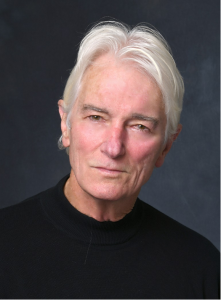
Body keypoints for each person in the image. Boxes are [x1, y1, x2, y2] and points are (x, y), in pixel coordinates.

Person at [0, 21, 220, 299]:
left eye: (139, 125)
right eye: (96, 117)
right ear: (66, 125)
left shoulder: (202, 269)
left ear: (166, 145)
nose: (114, 148)